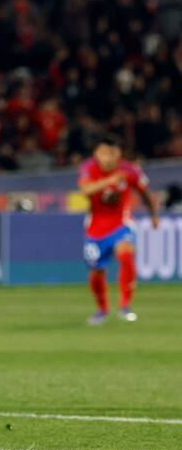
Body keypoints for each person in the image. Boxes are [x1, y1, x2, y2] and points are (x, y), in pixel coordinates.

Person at [78, 134, 159, 325]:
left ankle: (125, 306)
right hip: (95, 228)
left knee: (125, 253)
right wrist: (110, 180)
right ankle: (102, 310)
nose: (108, 157)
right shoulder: (88, 168)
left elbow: (145, 193)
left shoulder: (130, 170)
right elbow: (85, 190)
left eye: (112, 153)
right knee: (96, 273)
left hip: (121, 223)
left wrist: (153, 214)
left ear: (119, 154)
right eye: (104, 152)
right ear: (96, 154)